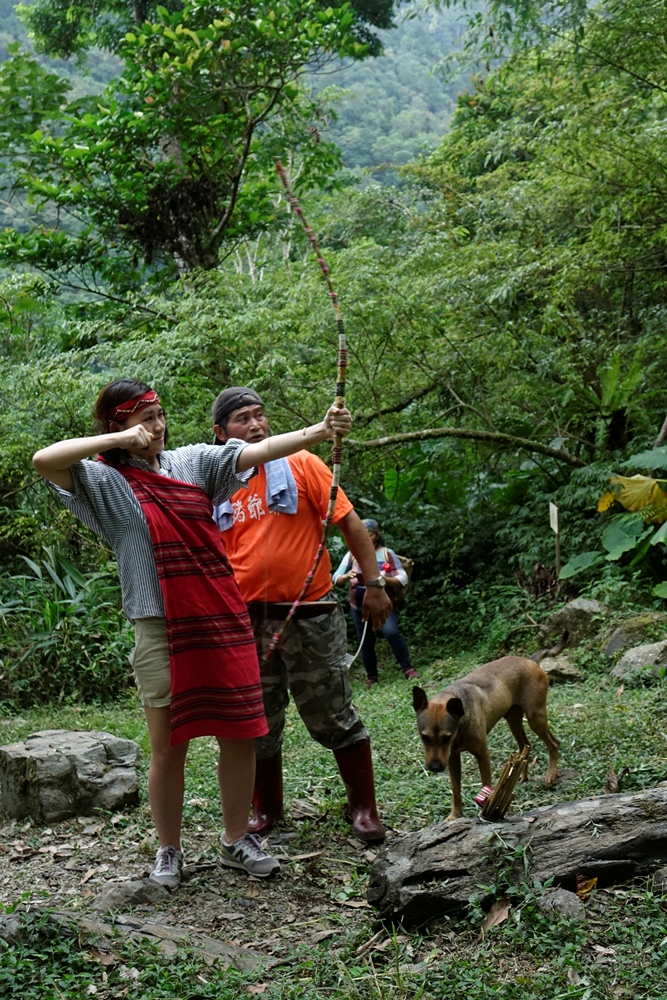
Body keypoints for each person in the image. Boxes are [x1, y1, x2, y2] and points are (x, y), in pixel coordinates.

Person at [32, 378, 352, 889]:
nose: (156, 428)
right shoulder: (100, 480)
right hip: (158, 623)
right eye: (144, 419)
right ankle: (169, 850)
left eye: (159, 416)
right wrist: (117, 444)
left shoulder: (192, 462)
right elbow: (44, 460)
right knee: (168, 745)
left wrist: (318, 429)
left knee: (241, 733)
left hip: (221, 615)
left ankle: (234, 840)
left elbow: (259, 450)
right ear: (117, 425)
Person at [211, 387, 392, 842]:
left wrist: (374, 585)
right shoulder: (214, 483)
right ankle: (266, 811)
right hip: (246, 620)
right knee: (259, 720)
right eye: (242, 419)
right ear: (220, 433)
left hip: (310, 614)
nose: (256, 425)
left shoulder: (302, 464)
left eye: (259, 415)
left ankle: (364, 809)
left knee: (333, 713)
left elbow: (350, 522)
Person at [333, 518, 418, 689]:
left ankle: (407, 667)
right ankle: (372, 677)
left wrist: (382, 580)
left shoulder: (387, 553)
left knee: (391, 632)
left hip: (382, 602)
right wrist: (346, 576)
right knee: (366, 641)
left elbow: (402, 577)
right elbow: (336, 578)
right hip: (358, 606)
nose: (365, 538)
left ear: (376, 536)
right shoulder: (351, 555)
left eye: (369, 535)